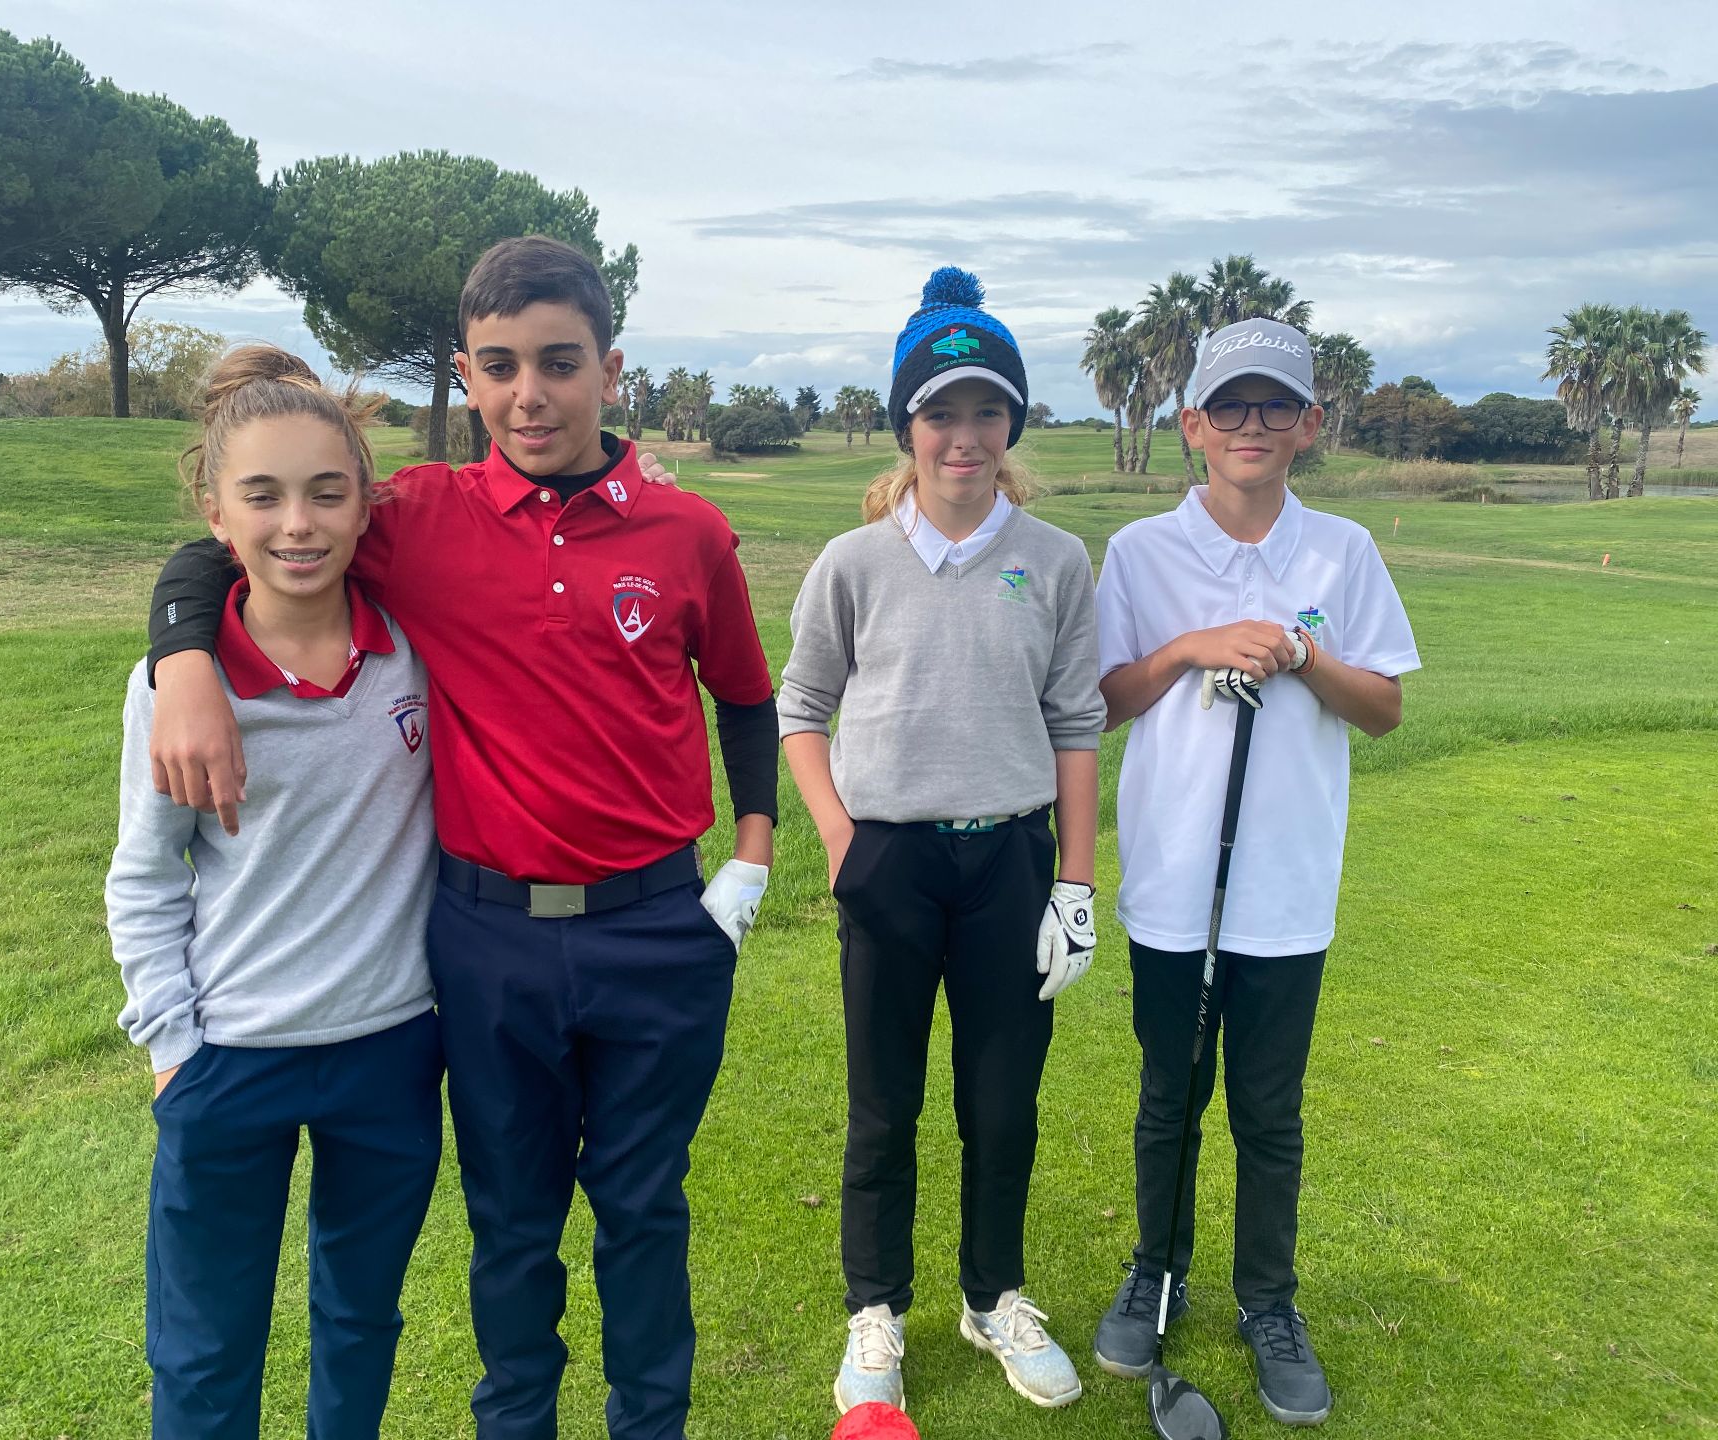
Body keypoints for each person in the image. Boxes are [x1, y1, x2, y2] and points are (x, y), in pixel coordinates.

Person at [142, 235, 779, 1440]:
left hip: (656, 928)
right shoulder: (417, 516)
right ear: (465, 374)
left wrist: (752, 852)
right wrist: (181, 656)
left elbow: (744, 697)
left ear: (611, 369)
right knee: (511, 1224)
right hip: (485, 940)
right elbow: (248, 526)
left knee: (644, 1211)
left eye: (560, 363)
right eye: (499, 366)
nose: (529, 394)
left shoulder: (688, 532)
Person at [777, 267, 1106, 1416]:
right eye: (940, 413)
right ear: (905, 426)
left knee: (1002, 1104)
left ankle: (991, 1295)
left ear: (1013, 421)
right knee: (885, 1107)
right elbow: (800, 707)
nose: (964, 437)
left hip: (1010, 864)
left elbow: (1075, 724)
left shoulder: (1055, 560)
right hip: (891, 865)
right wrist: (838, 837)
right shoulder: (854, 562)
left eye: (986, 411)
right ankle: (876, 1308)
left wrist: (1075, 885)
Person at [106, 346, 444, 1438]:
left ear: (366, 507)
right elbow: (145, 875)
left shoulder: (418, 651)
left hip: (392, 1050)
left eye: (326, 493)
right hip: (229, 1057)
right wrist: (172, 1046)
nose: (297, 523)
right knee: (205, 1350)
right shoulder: (175, 687)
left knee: (360, 1320)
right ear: (216, 514)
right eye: (262, 495)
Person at [1088, 319, 1421, 1427]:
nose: (1252, 425)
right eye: (1229, 405)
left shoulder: (1344, 552)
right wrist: (1194, 646)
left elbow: (1384, 708)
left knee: (1269, 1113)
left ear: (1308, 424)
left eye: (1276, 404)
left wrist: (1304, 653)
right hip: (1173, 886)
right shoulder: (1142, 552)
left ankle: (1269, 1304)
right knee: (1168, 1098)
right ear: (1192, 424)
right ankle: (1156, 1273)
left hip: (1284, 891)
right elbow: (1102, 702)